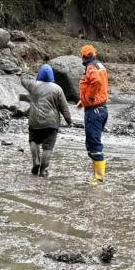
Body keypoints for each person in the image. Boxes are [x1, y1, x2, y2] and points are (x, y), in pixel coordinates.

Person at [21, 64, 72, 177]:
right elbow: (64, 107)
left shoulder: (32, 85)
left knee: (33, 140)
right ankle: (43, 170)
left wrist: (25, 70)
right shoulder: (57, 88)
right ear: (51, 76)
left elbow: (23, 79)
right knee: (47, 147)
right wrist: (69, 120)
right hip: (51, 123)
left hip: (34, 121)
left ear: (39, 74)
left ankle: (36, 162)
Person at [79, 45, 109, 186]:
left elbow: (95, 82)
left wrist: (89, 98)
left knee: (93, 142)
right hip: (101, 109)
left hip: (95, 111)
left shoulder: (90, 67)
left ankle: (99, 178)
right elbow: (98, 86)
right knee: (93, 141)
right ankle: (97, 176)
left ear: (83, 56)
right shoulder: (99, 65)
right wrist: (83, 101)